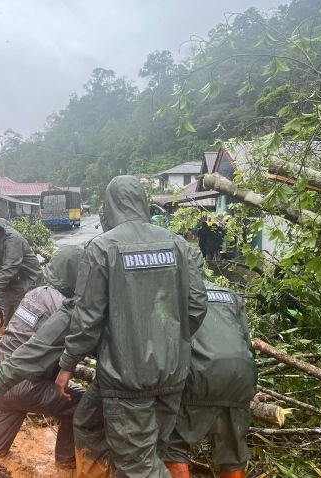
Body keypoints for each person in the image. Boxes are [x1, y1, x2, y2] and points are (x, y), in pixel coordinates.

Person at [55, 175, 207, 478]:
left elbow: (88, 317)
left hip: (126, 379)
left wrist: (67, 364)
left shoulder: (102, 247)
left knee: (139, 466)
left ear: (109, 207)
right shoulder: (177, 244)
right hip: (172, 372)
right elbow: (197, 305)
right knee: (107, 431)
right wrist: (170, 341)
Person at [0, 245, 86, 468]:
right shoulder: (65, 308)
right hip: (27, 386)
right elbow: (38, 350)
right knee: (85, 405)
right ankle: (66, 462)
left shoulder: (35, 293)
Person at [163, 278, 257, 478]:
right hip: (240, 377)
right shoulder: (228, 294)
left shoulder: (172, 291)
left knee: (173, 448)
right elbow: (245, 341)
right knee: (233, 455)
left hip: (199, 376)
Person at [0, 207, 41, 321]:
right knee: (7, 318)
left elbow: (10, 267)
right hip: (8, 283)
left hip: (27, 281)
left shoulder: (12, 238)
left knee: (26, 319)